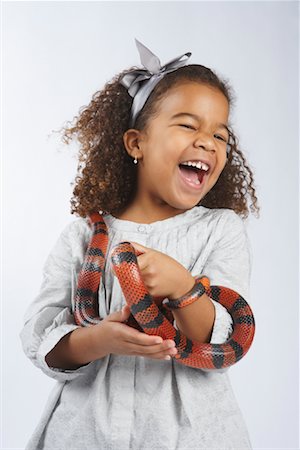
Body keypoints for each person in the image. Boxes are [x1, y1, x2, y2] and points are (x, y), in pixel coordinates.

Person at [20, 39, 260, 449]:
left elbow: (220, 342)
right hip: (83, 433)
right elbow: (40, 339)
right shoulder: (85, 232)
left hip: (189, 436)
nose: (207, 141)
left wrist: (185, 288)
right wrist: (96, 340)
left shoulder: (221, 229)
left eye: (220, 135)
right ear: (136, 143)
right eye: (187, 125)